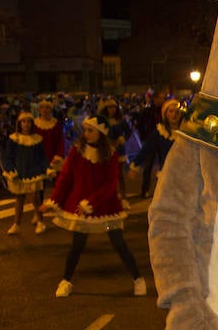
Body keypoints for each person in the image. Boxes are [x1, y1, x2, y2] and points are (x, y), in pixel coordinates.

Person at [40, 114, 146, 298]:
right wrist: (54, 201)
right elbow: (66, 178)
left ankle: (138, 279)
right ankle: (66, 280)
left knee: (118, 243)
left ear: (101, 133)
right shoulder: (76, 151)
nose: (86, 133)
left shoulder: (110, 154)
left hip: (106, 208)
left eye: (91, 130)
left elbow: (110, 184)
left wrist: (92, 202)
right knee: (77, 244)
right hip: (80, 208)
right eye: (86, 130)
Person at [2, 109, 49, 235]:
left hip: (33, 173)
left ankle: (40, 222)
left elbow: (42, 157)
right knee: (19, 199)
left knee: (34, 198)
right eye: (23, 122)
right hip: (19, 172)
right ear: (19, 123)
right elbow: (8, 157)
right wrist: (10, 169)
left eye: (28, 122)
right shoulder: (14, 139)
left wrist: (46, 168)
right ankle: (16, 224)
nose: (26, 124)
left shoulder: (37, 139)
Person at [130, 98, 184, 198]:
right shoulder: (160, 131)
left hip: (185, 174)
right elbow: (146, 149)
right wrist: (135, 166)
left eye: (177, 112)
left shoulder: (186, 131)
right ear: (165, 114)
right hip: (167, 174)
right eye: (170, 111)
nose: (174, 115)